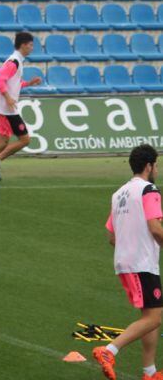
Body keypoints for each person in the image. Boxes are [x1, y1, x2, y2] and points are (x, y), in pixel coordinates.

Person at [94, 145, 163, 380]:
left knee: (149, 317)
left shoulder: (119, 193)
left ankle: (150, 372)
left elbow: (112, 236)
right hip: (141, 263)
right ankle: (108, 350)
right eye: (156, 164)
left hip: (128, 263)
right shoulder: (149, 190)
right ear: (149, 166)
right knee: (154, 318)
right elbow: (155, 228)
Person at [0, 31, 41, 184]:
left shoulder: (16, 61)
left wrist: (29, 83)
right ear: (24, 45)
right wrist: (8, 97)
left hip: (2, 109)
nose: (32, 48)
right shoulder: (14, 62)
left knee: (2, 143)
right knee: (25, 140)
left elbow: (12, 82)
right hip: (6, 109)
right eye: (31, 45)